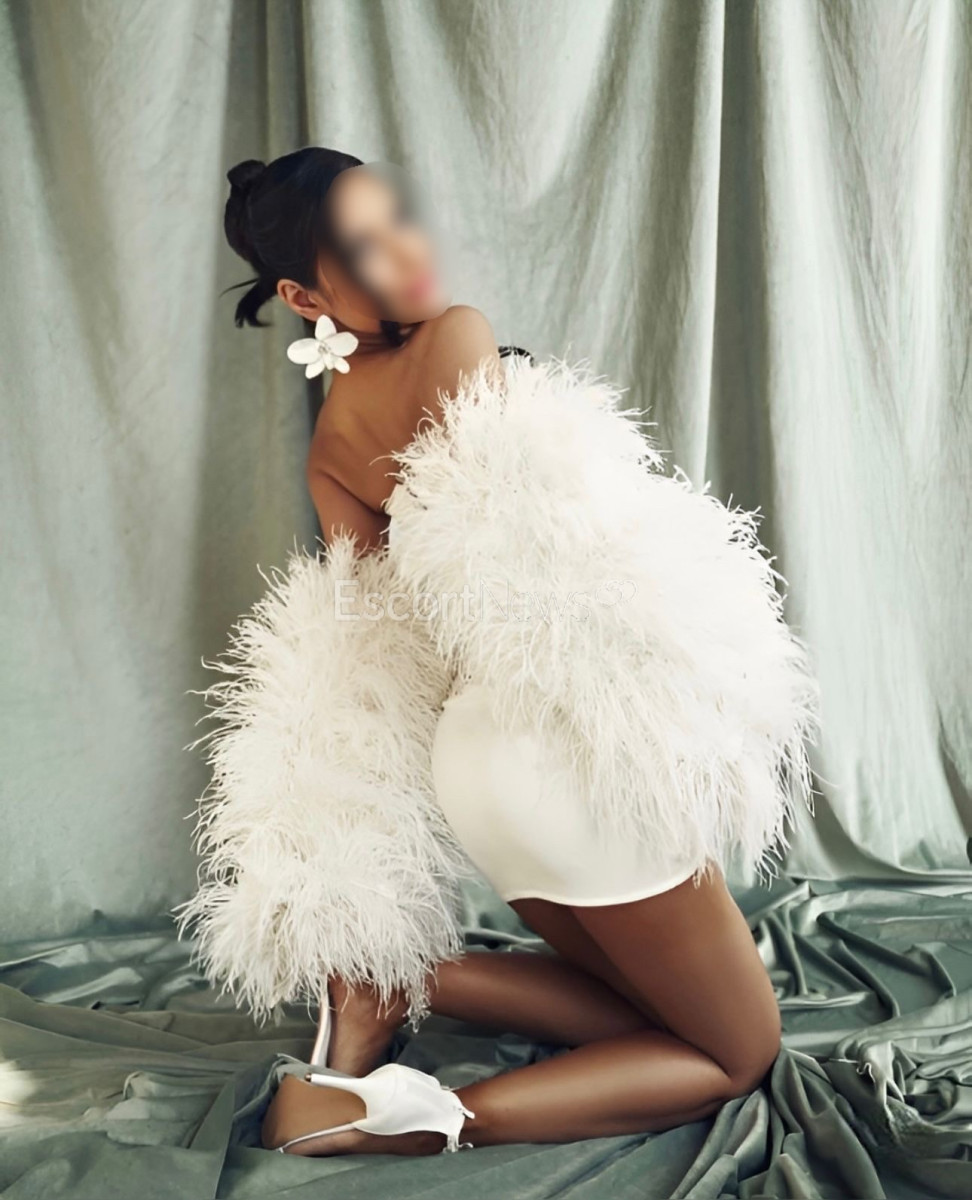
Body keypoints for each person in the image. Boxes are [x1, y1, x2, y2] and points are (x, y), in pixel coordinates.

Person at [176, 146, 820, 1156]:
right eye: (365, 245)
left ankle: (398, 981)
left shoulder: (332, 445)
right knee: (742, 1051)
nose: (408, 250)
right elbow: (539, 563)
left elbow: (387, 645)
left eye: (398, 218)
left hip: (478, 763)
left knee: (650, 1011)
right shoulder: (458, 337)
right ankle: (400, 1120)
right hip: (565, 737)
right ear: (304, 296)